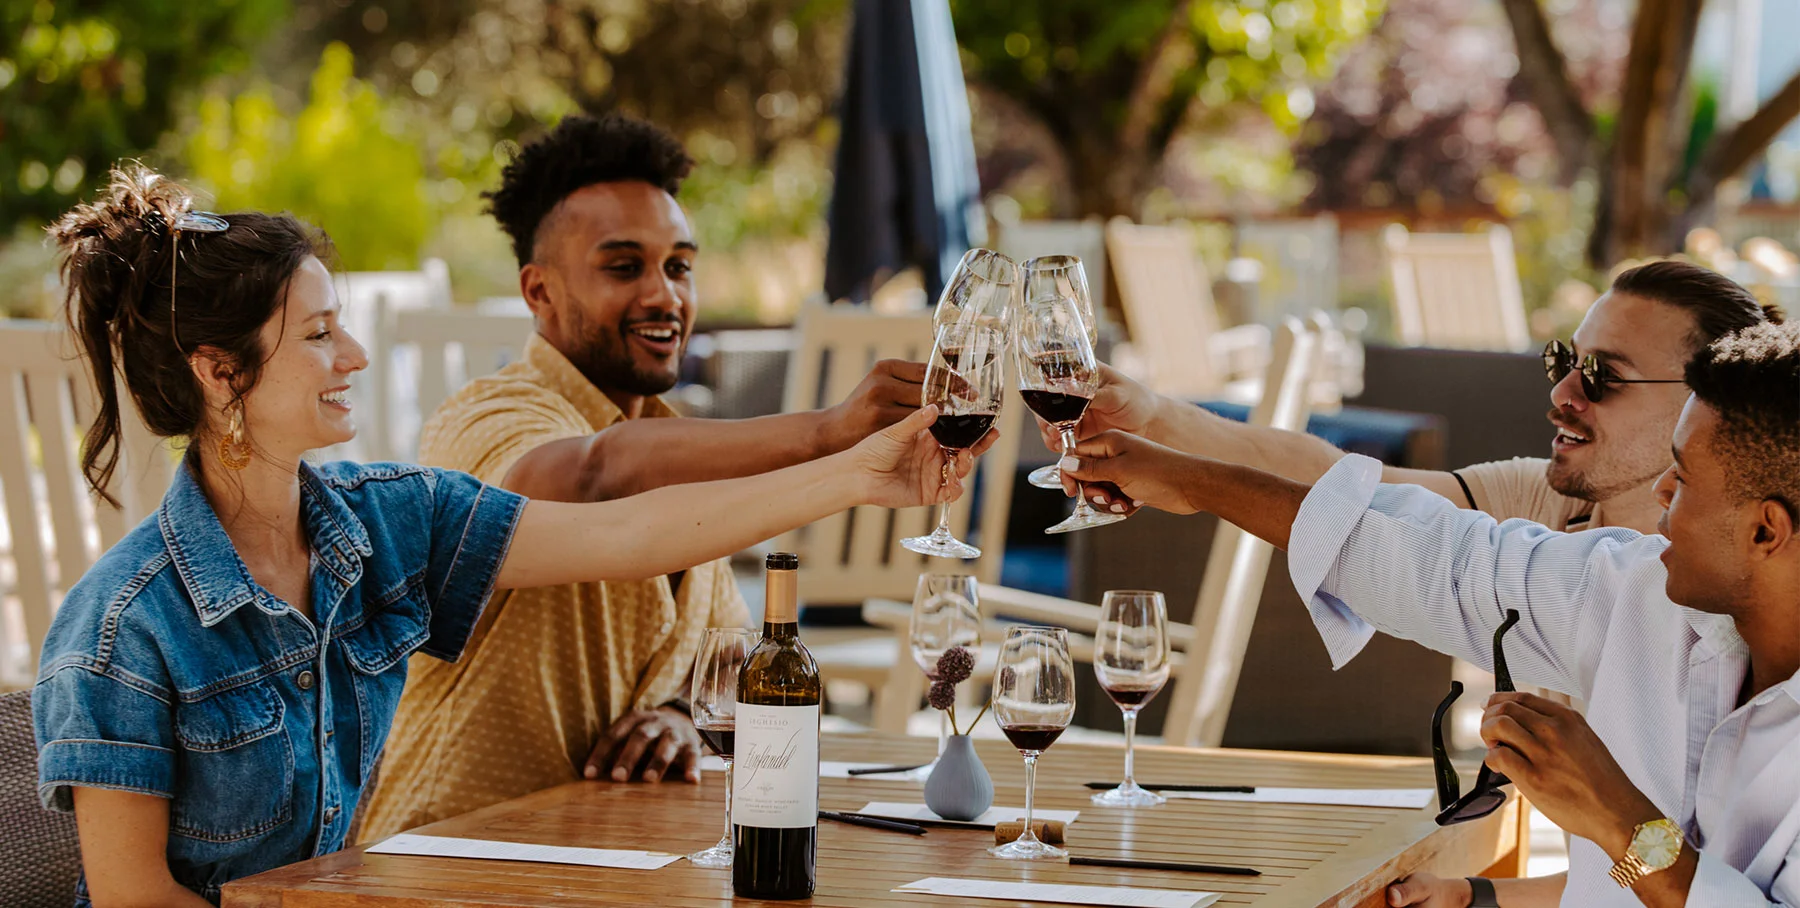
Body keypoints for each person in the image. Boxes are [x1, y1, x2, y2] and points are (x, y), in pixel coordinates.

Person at [31, 167, 971, 908]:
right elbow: (132, 896)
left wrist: (856, 475)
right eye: (319, 335)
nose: (352, 356)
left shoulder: (386, 520)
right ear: (220, 373)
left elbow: (630, 532)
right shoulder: (122, 630)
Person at [1057, 319, 1800, 907]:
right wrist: (1195, 482)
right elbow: (1438, 557)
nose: (1663, 493)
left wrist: (1621, 823)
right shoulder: (1636, 595)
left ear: (1767, 529)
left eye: (1687, 477)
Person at [356, 113, 942, 840]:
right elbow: (596, 477)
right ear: (538, 291)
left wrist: (677, 721)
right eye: (624, 266)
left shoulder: (673, 445)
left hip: (611, 865)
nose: (665, 295)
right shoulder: (483, 416)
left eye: (680, 266)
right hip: (443, 859)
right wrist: (826, 436)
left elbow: (723, 658)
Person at [1060, 260, 1779, 537]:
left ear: (1702, 405)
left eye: (1603, 376)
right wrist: (1158, 418)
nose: (1561, 393)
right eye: (1565, 360)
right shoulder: (1549, 505)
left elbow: (1662, 860)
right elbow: (1338, 480)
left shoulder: (1723, 589)